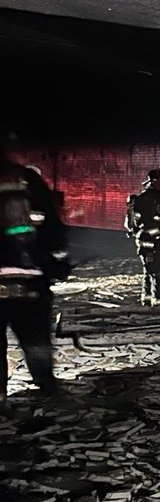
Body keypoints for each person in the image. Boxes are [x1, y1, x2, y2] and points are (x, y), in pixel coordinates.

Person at [0, 148, 70, 396]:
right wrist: (59, 264)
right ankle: (47, 391)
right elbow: (54, 228)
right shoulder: (27, 180)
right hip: (31, 283)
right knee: (36, 342)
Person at [125, 168, 160, 305]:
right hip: (150, 241)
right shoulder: (150, 199)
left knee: (150, 271)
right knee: (158, 271)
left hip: (151, 241)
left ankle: (147, 300)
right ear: (153, 182)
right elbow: (147, 224)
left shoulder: (154, 198)